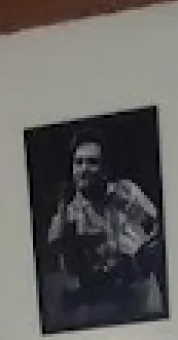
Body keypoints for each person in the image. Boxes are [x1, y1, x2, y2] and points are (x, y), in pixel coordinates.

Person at [44, 129, 164, 326]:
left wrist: (130, 210)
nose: (84, 169)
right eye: (78, 162)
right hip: (103, 301)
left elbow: (156, 226)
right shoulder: (69, 212)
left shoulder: (126, 190)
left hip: (140, 293)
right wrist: (62, 208)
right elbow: (58, 250)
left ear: (105, 168)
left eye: (92, 162)